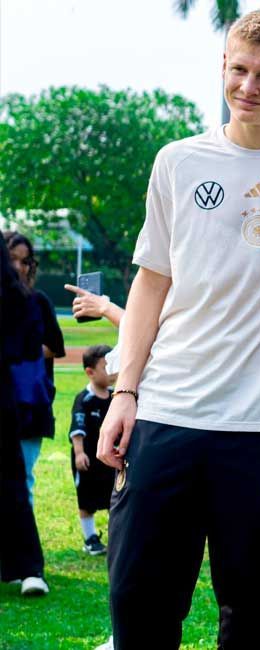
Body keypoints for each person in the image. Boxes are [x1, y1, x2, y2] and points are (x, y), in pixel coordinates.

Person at [96, 9, 260, 648]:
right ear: (222, 70)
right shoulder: (178, 162)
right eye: (237, 71)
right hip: (168, 412)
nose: (249, 87)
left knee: (248, 613)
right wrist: (126, 392)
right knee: (140, 603)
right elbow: (152, 279)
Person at [0, 242, 49, 596]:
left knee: (13, 484)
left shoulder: (21, 300)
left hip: (4, 402)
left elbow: (27, 346)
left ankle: (28, 568)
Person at [5, 231, 66, 505]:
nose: (19, 266)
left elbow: (55, 346)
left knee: (23, 481)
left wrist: (23, 350)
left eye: (26, 261)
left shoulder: (38, 301)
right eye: (12, 258)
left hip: (29, 407)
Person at [69, 344, 117, 556]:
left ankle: (115, 535)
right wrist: (79, 452)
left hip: (109, 459)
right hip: (88, 459)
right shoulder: (84, 399)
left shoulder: (116, 396)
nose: (113, 372)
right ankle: (90, 539)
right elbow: (77, 429)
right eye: (107, 367)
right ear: (90, 372)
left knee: (112, 497)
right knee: (87, 500)